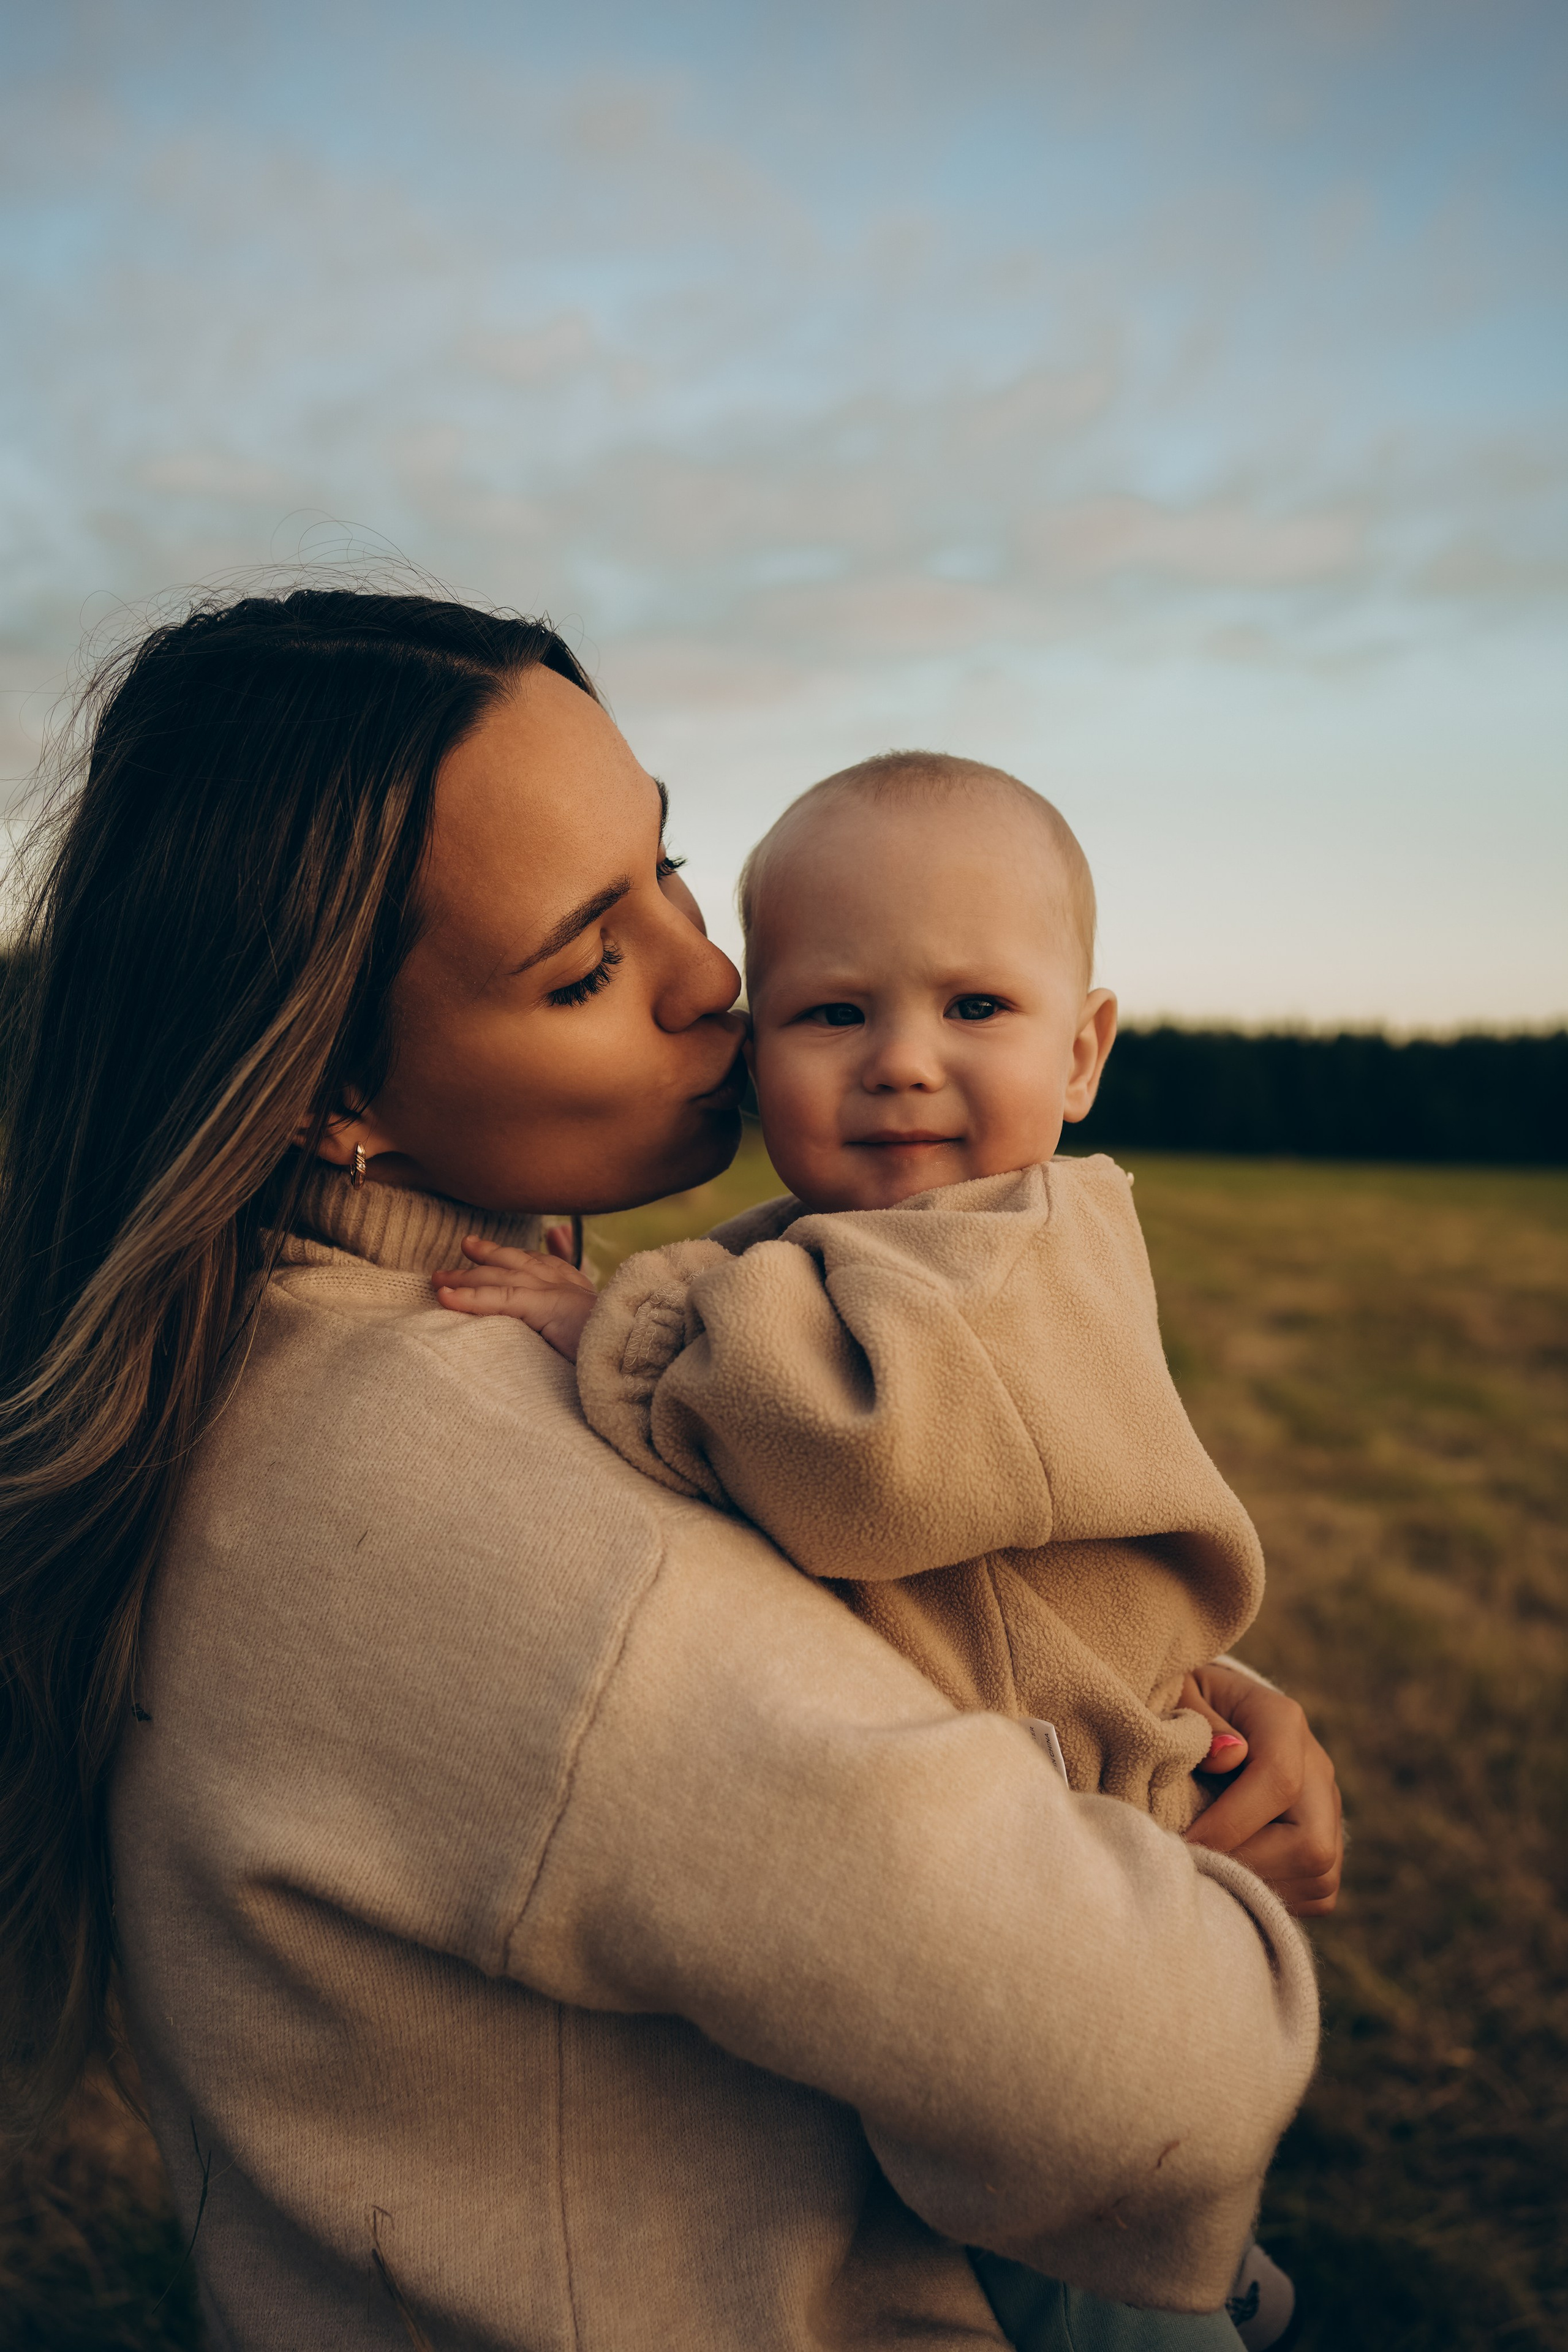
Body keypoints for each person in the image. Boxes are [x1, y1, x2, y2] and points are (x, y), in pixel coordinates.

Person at [0, 589, 1339, 2352]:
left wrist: (1174, 1712)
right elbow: (1157, 2071)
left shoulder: (248, 1356)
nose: (719, 976)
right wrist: (1211, 1885)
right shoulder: (499, 1514)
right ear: (332, 1096)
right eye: (585, 965)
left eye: (670, 868)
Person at [433, 752, 1306, 2348]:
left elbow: (858, 1470)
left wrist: (612, 1322)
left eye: (977, 1009)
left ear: (1085, 1050)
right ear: (759, 1052)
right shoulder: (831, 1253)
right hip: (982, 1837)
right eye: (836, 1015)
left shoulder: (1024, 1251)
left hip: (1089, 1878)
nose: (904, 1063)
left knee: (1088, 2274)